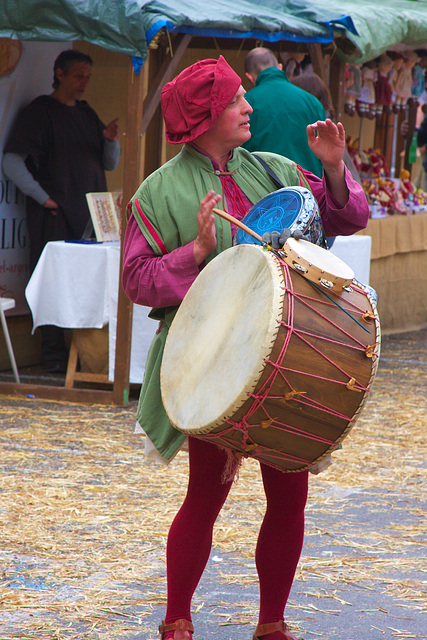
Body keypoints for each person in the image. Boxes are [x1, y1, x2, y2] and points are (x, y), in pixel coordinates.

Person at [121, 56, 369, 640]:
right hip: (213, 364)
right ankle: (177, 617)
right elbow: (136, 279)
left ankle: (271, 623)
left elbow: (347, 214)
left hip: (290, 359)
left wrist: (333, 168)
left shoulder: (272, 168)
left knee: (289, 494)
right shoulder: (159, 192)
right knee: (206, 494)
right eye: (236, 100)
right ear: (207, 116)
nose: (249, 107)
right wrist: (195, 253)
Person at [2, 49, 121, 373]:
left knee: (88, 288)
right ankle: (54, 359)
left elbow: (109, 162)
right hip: (54, 217)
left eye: (88, 76)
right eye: (78, 75)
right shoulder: (41, 111)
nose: (84, 82)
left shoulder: (85, 113)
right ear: (59, 73)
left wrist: (110, 140)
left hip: (90, 220)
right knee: (55, 287)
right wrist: (43, 198)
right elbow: (12, 162)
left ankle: (88, 357)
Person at [242, 47, 326, 177]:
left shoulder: (246, 102)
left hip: (265, 192)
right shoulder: (313, 102)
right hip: (308, 189)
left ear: (249, 77)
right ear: (280, 67)